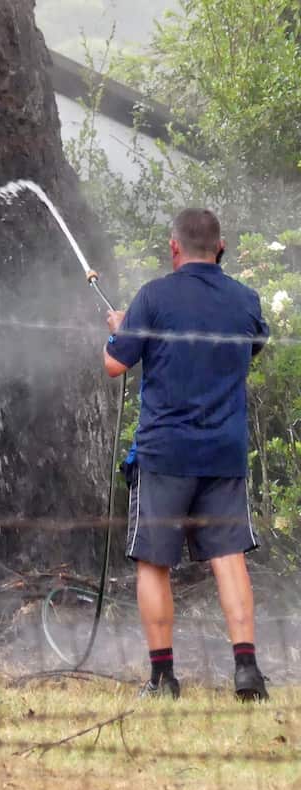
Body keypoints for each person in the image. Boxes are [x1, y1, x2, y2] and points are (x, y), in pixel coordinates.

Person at [103, 208, 269, 701]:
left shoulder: (153, 296)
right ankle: (248, 671)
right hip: (223, 453)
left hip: (164, 454)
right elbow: (249, 348)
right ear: (221, 247)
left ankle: (162, 678)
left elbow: (114, 363)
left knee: (153, 562)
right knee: (229, 557)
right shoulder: (245, 300)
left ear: (173, 247)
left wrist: (121, 328)